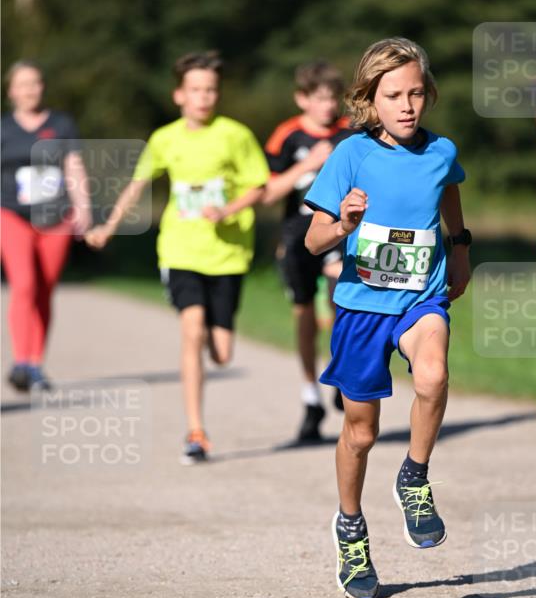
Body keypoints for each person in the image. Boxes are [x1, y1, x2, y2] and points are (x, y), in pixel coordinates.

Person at [304, 38, 471, 598]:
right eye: (393, 95)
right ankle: (350, 526)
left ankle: (415, 478)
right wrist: (344, 224)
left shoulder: (441, 150)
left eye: (416, 93)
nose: (407, 106)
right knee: (361, 431)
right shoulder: (351, 155)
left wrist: (462, 247)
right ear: (370, 99)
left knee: (433, 376)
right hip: (360, 307)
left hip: (420, 299)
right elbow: (312, 239)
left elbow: (447, 192)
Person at [86, 51, 269, 463]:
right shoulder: (164, 139)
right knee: (191, 330)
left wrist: (227, 210)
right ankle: (196, 431)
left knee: (221, 354)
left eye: (210, 90)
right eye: (196, 90)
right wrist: (109, 226)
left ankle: (211, 336)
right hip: (180, 250)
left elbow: (258, 186)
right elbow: (137, 186)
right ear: (179, 96)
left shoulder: (234, 135)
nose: (204, 97)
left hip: (228, 255)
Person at [263, 61, 351, 441]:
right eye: (319, 99)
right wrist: (311, 163)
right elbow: (267, 193)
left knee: (341, 303)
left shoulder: (350, 134)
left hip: (338, 235)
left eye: (333, 99)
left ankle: (342, 377)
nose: (328, 107)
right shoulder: (286, 136)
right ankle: (311, 397)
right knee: (303, 312)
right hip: (296, 236)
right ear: (303, 99)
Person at [1, 60, 91, 390]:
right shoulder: (3, 128)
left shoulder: (61, 124)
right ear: (11, 91)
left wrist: (84, 207)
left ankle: (37, 363)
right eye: (22, 84)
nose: (29, 90)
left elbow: (73, 165)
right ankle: (21, 361)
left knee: (44, 289)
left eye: (35, 83)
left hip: (56, 217)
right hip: (11, 213)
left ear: (43, 87)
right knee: (23, 284)